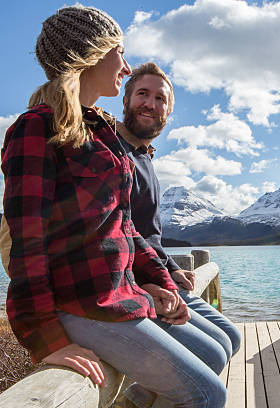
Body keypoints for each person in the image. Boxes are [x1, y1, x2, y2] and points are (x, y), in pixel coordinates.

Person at [1, 6, 226, 408]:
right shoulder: (35, 127)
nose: (125, 66)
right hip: (78, 305)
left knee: (212, 353)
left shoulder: (101, 131)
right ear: (90, 52)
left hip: (117, 297)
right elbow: (27, 241)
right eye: (118, 52)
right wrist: (45, 338)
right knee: (206, 394)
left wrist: (162, 283)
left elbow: (123, 227)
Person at [117, 62, 242, 360]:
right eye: (143, 94)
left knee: (232, 339)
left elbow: (148, 235)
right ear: (125, 100)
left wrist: (172, 268)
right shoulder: (114, 149)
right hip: (136, 285)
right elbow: (117, 230)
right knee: (214, 354)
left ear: (168, 111)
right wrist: (146, 283)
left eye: (160, 99)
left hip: (157, 276)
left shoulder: (143, 154)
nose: (150, 104)